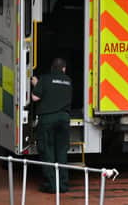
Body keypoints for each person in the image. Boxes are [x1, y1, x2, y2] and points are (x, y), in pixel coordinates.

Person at [31, 57, 73, 193]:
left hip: (48, 120)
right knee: (61, 152)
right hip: (64, 119)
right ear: (64, 69)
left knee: (48, 152)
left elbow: (35, 98)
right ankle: (63, 185)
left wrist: (36, 84)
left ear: (52, 68)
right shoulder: (68, 81)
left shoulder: (45, 79)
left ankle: (51, 185)